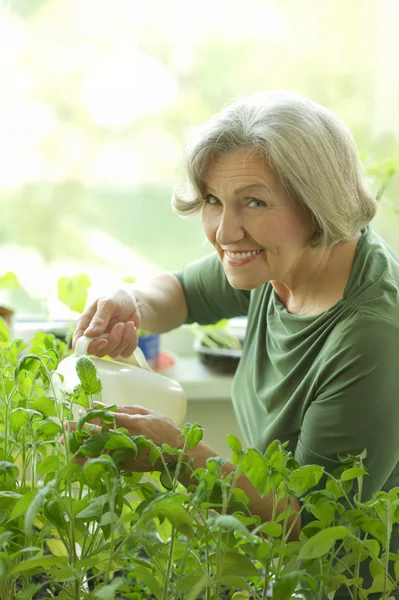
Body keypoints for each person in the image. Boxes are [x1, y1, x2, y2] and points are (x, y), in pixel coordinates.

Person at [72, 91, 399, 544]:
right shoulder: (281, 260)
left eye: (255, 203)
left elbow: (307, 525)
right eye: (212, 199)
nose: (225, 232)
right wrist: (130, 302)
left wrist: (178, 454)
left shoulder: (372, 335)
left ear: (317, 203)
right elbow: (183, 293)